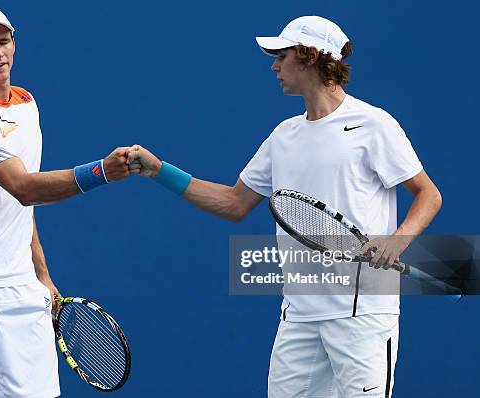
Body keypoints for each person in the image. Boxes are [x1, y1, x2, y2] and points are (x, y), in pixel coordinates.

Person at [127, 15, 442, 398]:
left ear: (310, 57)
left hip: (362, 316)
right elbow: (233, 202)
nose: (274, 66)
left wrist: (397, 242)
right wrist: (160, 172)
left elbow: (428, 194)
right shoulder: (283, 136)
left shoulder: (373, 125)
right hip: (299, 317)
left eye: (282, 55)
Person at [0, 5, 131, 398]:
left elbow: (20, 205)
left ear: (14, 44)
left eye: (4, 41)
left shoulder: (26, 104)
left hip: (20, 284)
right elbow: (25, 188)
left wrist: (42, 273)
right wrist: (101, 171)